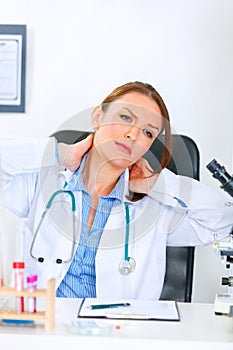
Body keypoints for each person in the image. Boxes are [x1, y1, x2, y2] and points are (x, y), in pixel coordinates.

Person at [0, 81, 232, 300]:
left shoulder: (154, 210)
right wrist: (58, 154)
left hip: (119, 335)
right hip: (45, 329)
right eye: (125, 117)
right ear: (98, 117)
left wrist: (158, 183)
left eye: (148, 133)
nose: (133, 135)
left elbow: (224, 219)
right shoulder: (44, 184)